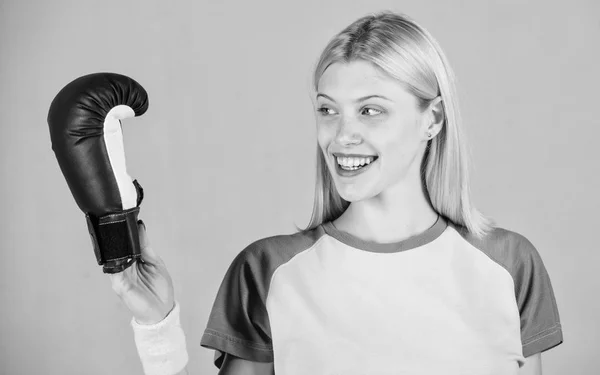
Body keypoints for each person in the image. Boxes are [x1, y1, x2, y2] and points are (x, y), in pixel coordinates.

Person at [110, 11, 563, 375]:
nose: (342, 135)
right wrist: (158, 329)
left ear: (434, 118)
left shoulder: (509, 265)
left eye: (370, 110)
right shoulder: (267, 272)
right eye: (328, 110)